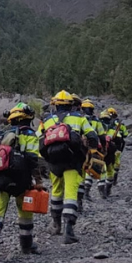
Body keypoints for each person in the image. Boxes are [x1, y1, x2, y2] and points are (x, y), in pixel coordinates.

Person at [0, 103, 43, 262]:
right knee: (25, 211)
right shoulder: (30, 134)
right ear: (28, 118)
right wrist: (37, 180)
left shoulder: (1, 135)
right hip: (21, 180)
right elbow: (33, 160)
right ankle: (26, 245)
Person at [37, 90, 99, 244]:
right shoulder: (79, 118)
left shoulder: (47, 120)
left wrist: (41, 164)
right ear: (71, 105)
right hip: (73, 162)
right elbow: (92, 136)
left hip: (53, 162)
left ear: (55, 105)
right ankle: (69, 231)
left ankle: (56, 224)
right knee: (71, 194)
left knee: (56, 192)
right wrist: (92, 152)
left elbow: (38, 139)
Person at [77, 98, 108, 208]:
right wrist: (104, 148)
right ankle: (99, 190)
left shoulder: (78, 118)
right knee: (95, 168)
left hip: (80, 149)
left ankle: (83, 193)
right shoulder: (96, 121)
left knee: (82, 171)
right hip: (93, 148)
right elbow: (102, 136)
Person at [99, 107, 129, 198]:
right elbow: (125, 135)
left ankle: (100, 188)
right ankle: (110, 185)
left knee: (101, 169)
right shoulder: (119, 125)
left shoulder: (98, 125)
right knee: (113, 166)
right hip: (115, 149)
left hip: (101, 151)